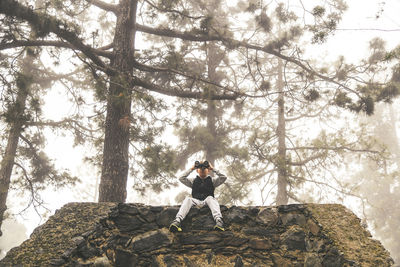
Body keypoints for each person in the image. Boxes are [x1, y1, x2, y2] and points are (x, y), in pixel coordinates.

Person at [169, 160, 227, 232]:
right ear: (197, 170)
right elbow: (181, 178)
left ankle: (219, 221)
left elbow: (224, 177)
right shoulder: (193, 181)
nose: (202, 170)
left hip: (207, 201)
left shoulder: (212, 181)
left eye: (204, 168)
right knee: (188, 199)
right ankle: (177, 221)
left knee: (211, 198)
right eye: (200, 168)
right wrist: (192, 168)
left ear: (208, 170)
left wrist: (213, 168)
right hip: (196, 201)